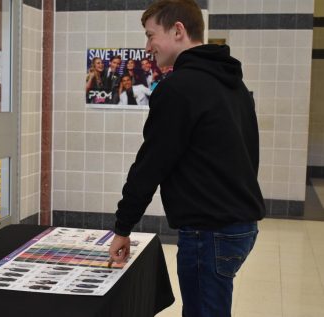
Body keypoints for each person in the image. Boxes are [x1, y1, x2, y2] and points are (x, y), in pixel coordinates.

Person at [108, 1, 265, 317]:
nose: (148, 45)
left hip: (209, 230)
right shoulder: (232, 81)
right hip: (240, 224)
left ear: (178, 30)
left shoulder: (178, 88)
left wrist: (122, 227)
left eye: (151, 35)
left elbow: (151, 164)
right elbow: (249, 154)